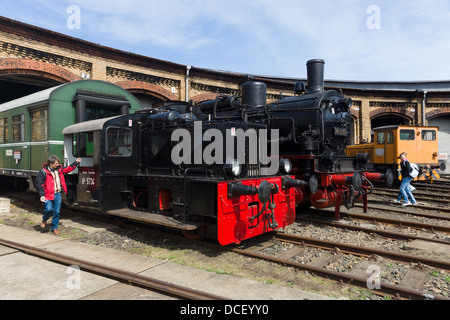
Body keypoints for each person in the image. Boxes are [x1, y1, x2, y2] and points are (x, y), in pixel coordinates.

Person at [36, 155, 81, 234]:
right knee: (48, 209)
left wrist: (76, 162)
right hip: (47, 195)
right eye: (56, 163)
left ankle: (54, 228)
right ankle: (44, 219)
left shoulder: (59, 169)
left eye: (58, 163)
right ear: (51, 164)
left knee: (57, 212)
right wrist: (42, 195)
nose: (58, 164)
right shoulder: (43, 172)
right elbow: (40, 185)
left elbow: (67, 169)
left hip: (57, 194)